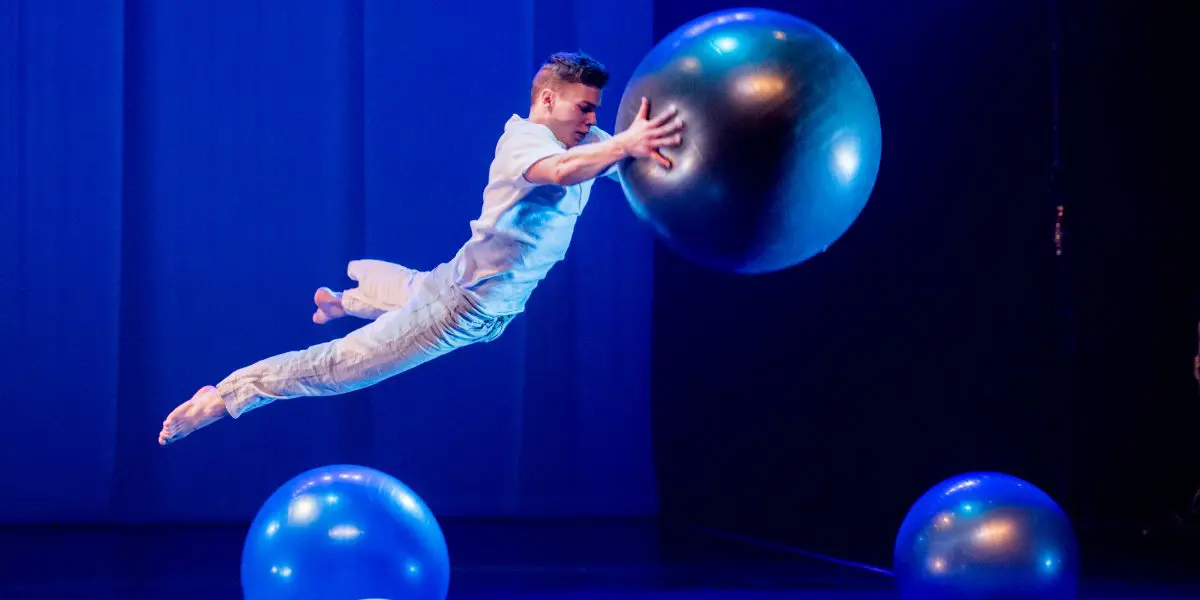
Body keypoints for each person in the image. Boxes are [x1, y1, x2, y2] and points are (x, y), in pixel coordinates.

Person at [157, 51, 684, 445]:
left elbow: (622, 167)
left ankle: (346, 301)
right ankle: (225, 396)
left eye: (596, 112)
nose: (592, 121)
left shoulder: (586, 143)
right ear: (547, 100)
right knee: (340, 368)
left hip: (464, 291)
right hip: (459, 309)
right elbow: (564, 173)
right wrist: (623, 144)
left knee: (416, 288)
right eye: (584, 109)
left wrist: (660, 149)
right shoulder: (527, 141)